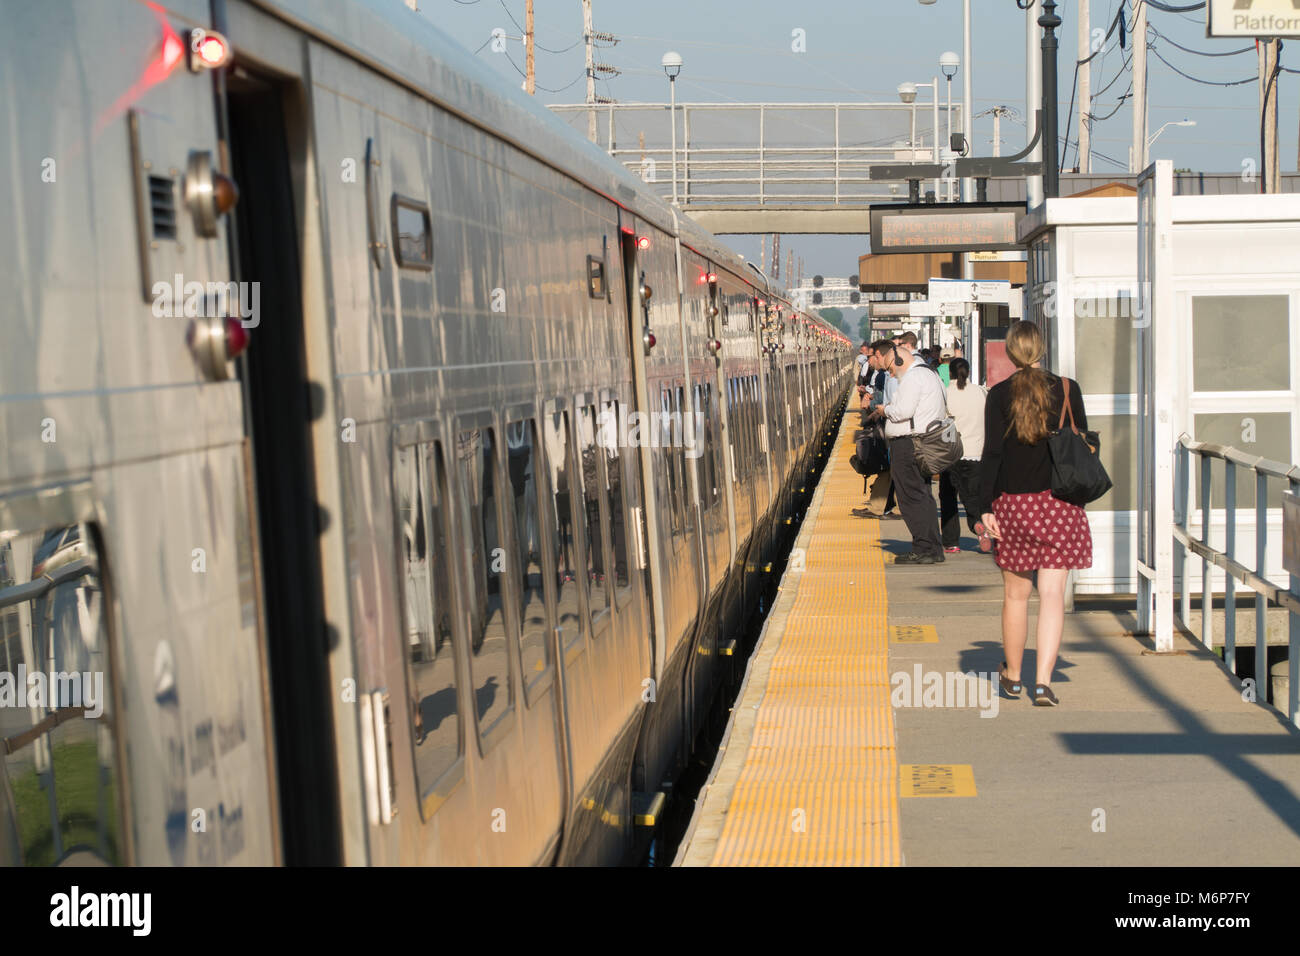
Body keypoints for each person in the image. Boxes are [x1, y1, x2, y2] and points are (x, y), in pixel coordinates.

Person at [978, 321, 1093, 707]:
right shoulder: (1067, 389)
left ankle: (1013, 676)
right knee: (1053, 595)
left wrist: (983, 508)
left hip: (1014, 506)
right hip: (1059, 504)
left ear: (1011, 353)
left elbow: (992, 454)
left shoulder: (998, 395)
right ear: (1042, 349)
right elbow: (1082, 442)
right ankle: (1043, 683)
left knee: (1016, 595)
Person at [868, 339, 947, 562]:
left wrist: (884, 410)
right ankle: (933, 548)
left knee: (911, 498)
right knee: (923, 496)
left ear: (898, 360)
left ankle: (924, 549)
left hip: (909, 444)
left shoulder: (913, 378)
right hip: (923, 442)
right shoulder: (930, 374)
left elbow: (902, 411)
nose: (891, 374)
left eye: (890, 369)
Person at [939, 357, 986, 553]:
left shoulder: (945, 393)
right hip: (977, 452)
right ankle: (978, 524)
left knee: (948, 497)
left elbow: (940, 423)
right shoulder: (980, 392)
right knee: (973, 495)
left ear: (950, 372)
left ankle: (951, 542)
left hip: (951, 453)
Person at [852, 341, 899, 518]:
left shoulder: (893, 378)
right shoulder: (888, 376)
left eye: (873, 356)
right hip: (889, 427)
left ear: (880, 355)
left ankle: (893, 507)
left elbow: (893, 405)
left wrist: (876, 409)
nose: (871, 360)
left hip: (895, 430)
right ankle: (878, 506)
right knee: (886, 468)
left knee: (893, 469)